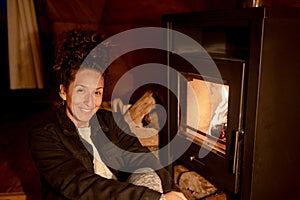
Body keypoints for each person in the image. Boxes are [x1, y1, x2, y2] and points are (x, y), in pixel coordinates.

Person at [28, 30, 187, 200]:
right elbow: (80, 186)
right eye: (81, 90)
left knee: (148, 173)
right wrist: (156, 198)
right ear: (63, 91)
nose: (89, 102)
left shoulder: (111, 120)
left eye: (97, 93)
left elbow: (141, 158)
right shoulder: (44, 135)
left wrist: (169, 192)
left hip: (124, 196)